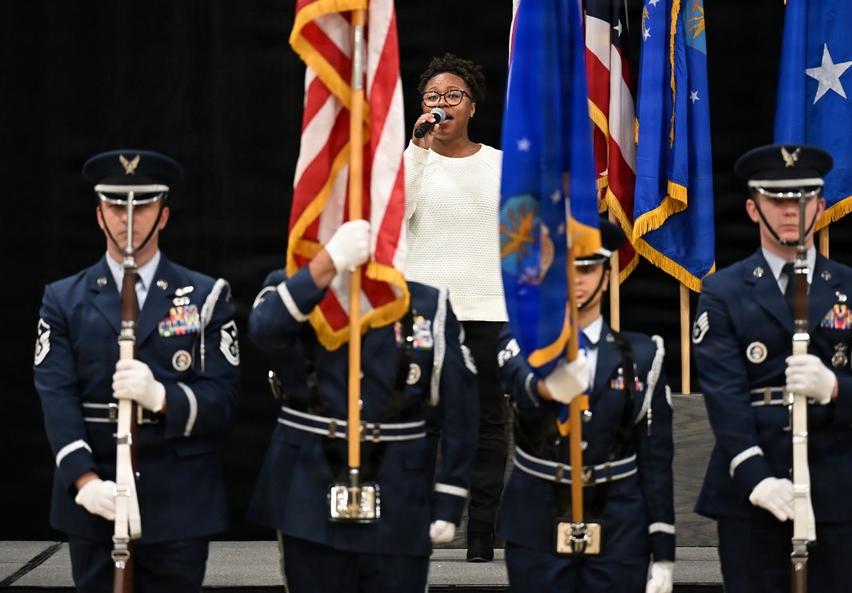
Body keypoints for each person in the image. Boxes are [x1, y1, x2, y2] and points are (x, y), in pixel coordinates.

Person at [692, 143, 852, 593]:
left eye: (804, 198)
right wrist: (756, 479)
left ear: (821, 205)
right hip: (752, 487)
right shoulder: (723, 291)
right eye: (778, 199)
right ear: (753, 208)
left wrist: (834, 387)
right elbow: (724, 397)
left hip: (836, 485)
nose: (793, 210)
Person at [33, 150, 241, 592]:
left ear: (163, 215)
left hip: (179, 499)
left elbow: (223, 399)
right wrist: (83, 480)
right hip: (96, 494)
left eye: (143, 205)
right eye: (116, 205)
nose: (129, 217)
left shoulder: (205, 296)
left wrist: (162, 397)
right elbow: (56, 394)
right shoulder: (63, 299)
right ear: (98, 214)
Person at [246, 219, 479, 593]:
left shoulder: (426, 304)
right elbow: (263, 330)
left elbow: (461, 411)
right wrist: (325, 265)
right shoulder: (294, 290)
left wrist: (450, 496)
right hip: (309, 486)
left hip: (399, 495)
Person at [496, 219, 676, 593]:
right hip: (537, 520)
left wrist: (663, 549)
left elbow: (655, 459)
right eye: (566, 269)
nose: (577, 280)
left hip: (619, 526)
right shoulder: (523, 339)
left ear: (606, 278)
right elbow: (514, 374)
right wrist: (546, 387)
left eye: (588, 269)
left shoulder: (641, 354)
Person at [404, 52, 509, 562]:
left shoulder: (500, 165)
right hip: (423, 312)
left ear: (471, 107)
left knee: (489, 425)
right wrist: (417, 149)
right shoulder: (409, 159)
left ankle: (481, 535)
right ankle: (417, 531)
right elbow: (392, 217)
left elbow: (521, 242)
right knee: (422, 424)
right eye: (432, 98)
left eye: (452, 97)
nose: (441, 105)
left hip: (488, 309)